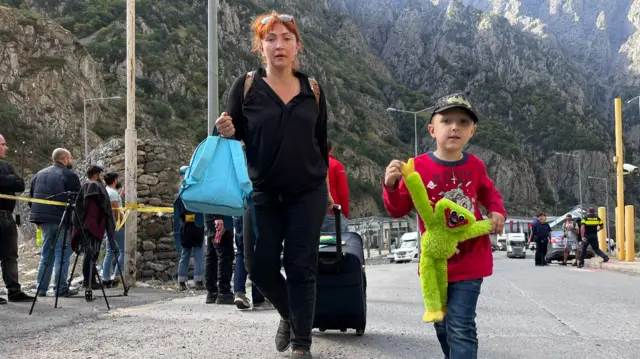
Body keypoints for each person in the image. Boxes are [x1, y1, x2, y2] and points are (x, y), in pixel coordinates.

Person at [214, 11, 332, 359]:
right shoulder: (246, 85)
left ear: (298, 46)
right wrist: (222, 129)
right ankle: (288, 315)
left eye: (286, 38)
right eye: (271, 38)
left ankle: (301, 345)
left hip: (307, 193)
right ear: (260, 47)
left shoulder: (313, 89)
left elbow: (321, 141)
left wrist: (324, 185)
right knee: (258, 266)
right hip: (261, 192)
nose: (279, 45)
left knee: (300, 265)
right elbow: (225, 134)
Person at [382, 93, 506, 359]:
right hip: (435, 263)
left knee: (460, 324)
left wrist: (496, 211)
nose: (454, 127)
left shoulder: (475, 165)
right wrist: (391, 185)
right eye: (446, 120)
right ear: (432, 129)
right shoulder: (417, 167)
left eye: (463, 122)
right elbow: (398, 209)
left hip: (471, 259)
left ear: (471, 131)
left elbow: (489, 193)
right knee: (442, 325)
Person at [30, 148, 81, 297]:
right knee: (62, 255)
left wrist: (38, 219)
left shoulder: (38, 174)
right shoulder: (69, 175)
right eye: (70, 158)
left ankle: (41, 288)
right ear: (64, 159)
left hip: (44, 222)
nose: (71, 161)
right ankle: (60, 288)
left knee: (46, 255)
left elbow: (32, 198)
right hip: (62, 221)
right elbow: (77, 200)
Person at [0, 134, 35, 304]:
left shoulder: (6, 165)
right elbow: (12, 182)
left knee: (11, 255)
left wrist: (9, 181)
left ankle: (14, 291)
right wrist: (10, 181)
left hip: (7, 215)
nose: (6, 147)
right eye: (3, 144)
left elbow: (20, 185)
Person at [71, 166, 115, 290]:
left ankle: (90, 279)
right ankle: (88, 281)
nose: (103, 177)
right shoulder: (94, 186)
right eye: (101, 174)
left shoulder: (89, 185)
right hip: (92, 226)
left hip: (90, 225)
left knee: (91, 254)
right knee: (91, 253)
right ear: (95, 175)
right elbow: (92, 209)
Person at [173, 166, 205, 291]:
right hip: (197, 227)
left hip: (186, 228)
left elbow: (180, 213)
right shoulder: (199, 193)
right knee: (198, 254)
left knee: (185, 254)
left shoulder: (182, 193)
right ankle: (198, 281)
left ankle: (181, 281)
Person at [232, 214, 271, 309]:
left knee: (241, 251)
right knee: (257, 250)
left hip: (238, 212)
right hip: (253, 210)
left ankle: (239, 292)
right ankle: (258, 298)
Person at [204, 213, 234, 304]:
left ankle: (212, 292)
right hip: (219, 215)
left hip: (210, 217)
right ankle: (223, 292)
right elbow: (215, 198)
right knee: (225, 256)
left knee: (212, 256)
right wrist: (217, 217)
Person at [101, 172, 125, 287]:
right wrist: (122, 222)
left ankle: (105, 278)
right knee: (124, 251)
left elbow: (115, 204)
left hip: (109, 225)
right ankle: (116, 276)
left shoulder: (107, 191)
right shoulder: (112, 193)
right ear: (115, 180)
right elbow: (115, 210)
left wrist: (121, 194)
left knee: (110, 252)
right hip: (117, 226)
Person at [320, 141, 349, 233]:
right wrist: (345, 212)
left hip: (315, 214)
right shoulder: (336, 165)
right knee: (340, 244)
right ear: (331, 149)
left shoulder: (313, 164)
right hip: (333, 213)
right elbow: (343, 192)